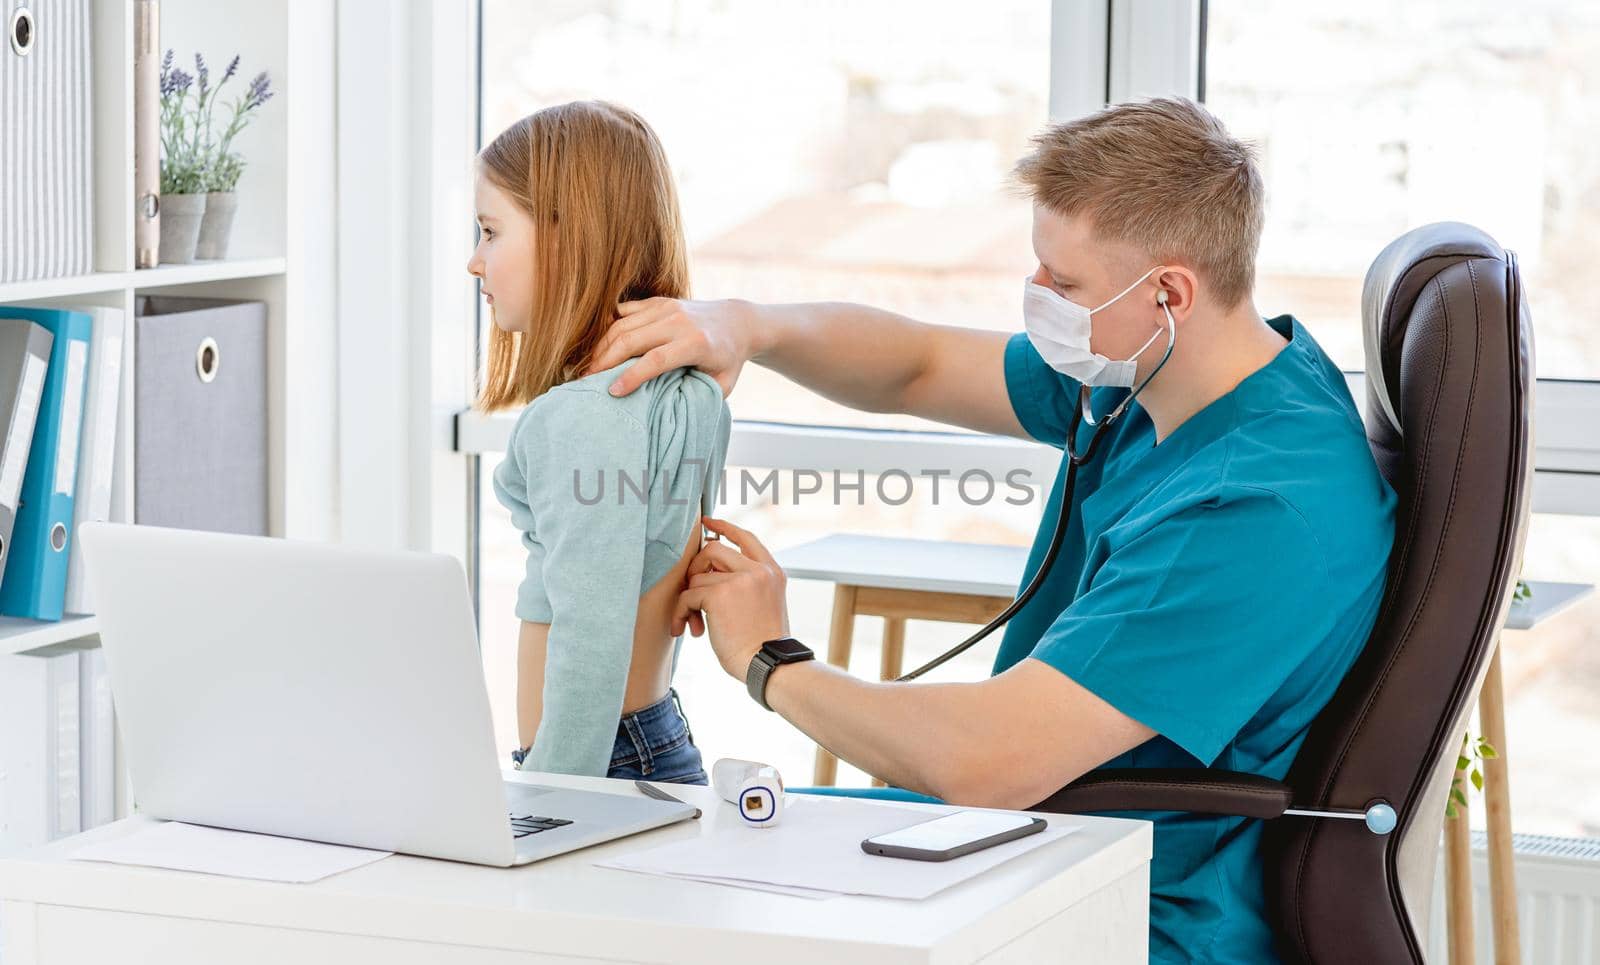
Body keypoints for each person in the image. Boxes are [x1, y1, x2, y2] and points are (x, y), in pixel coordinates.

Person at [583, 97, 1398, 962]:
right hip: (1048, 840)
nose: (1038, 297)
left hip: (1127, 901)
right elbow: (917, 365)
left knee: (691, 900)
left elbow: (988, 764)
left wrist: (770, 658)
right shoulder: (1167, 372)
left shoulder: (1252, 512)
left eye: (1065, 282)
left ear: (1169, 292)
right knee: (689, 862)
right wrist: (746, 323)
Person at [469, 100, 729, 785]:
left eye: (490, 231)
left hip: (592, 764)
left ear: (564, 239)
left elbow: (590, 633)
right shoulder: (690, 388)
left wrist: (552, 792)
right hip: (654, 737)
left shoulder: (581, 416)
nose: (475, 261)